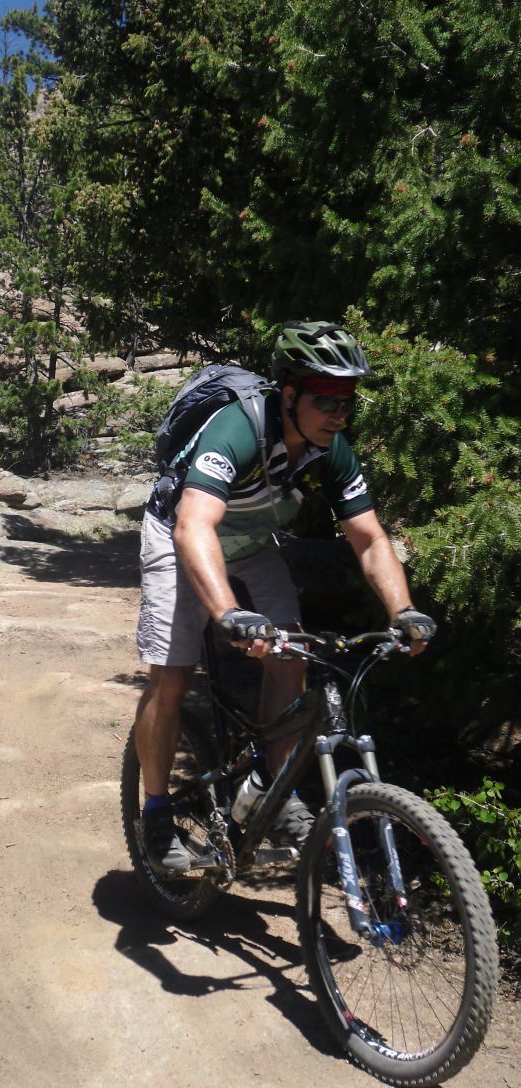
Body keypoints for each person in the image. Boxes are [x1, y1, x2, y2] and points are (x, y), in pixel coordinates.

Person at [135, 320, 436, 873]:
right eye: (327, 398)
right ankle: (154, 812)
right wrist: (228, 614)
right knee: (172, 672)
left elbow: (368, 537)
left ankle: (273, 794)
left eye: (348, 399)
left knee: (291, 653)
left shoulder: (331, 448)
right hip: (180, 535)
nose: (340, 412)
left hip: (249, 542)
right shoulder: (238, 429)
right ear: (290, 393)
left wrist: (404, 610)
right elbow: (193, 527)